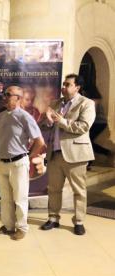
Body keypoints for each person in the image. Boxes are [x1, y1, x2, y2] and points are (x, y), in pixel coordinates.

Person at [40, 74, 96, 235]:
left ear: (77, 87)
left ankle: (79, 221)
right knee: (53, 189)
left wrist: (62, 121)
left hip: (76, 155)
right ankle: (53, 218)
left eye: (67, 84)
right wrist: (48, 121)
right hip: (55, 154)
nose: (63, 87)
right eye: (63, 84)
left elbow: (84, 126)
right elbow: (44, 126)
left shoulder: (86, 103)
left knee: (79, 190)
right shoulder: (55, 103)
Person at [0, 86, 45, 240]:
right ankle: (8, 226)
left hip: (18, 164)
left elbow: (39, 141)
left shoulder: (25, 117)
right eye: (4, 94)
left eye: (8, 94)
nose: (4, 97)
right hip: (1, 163)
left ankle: (22, 228)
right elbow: (0, 138)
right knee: (5, 198)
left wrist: (28, 157)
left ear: (18, 98)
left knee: (20, 198)